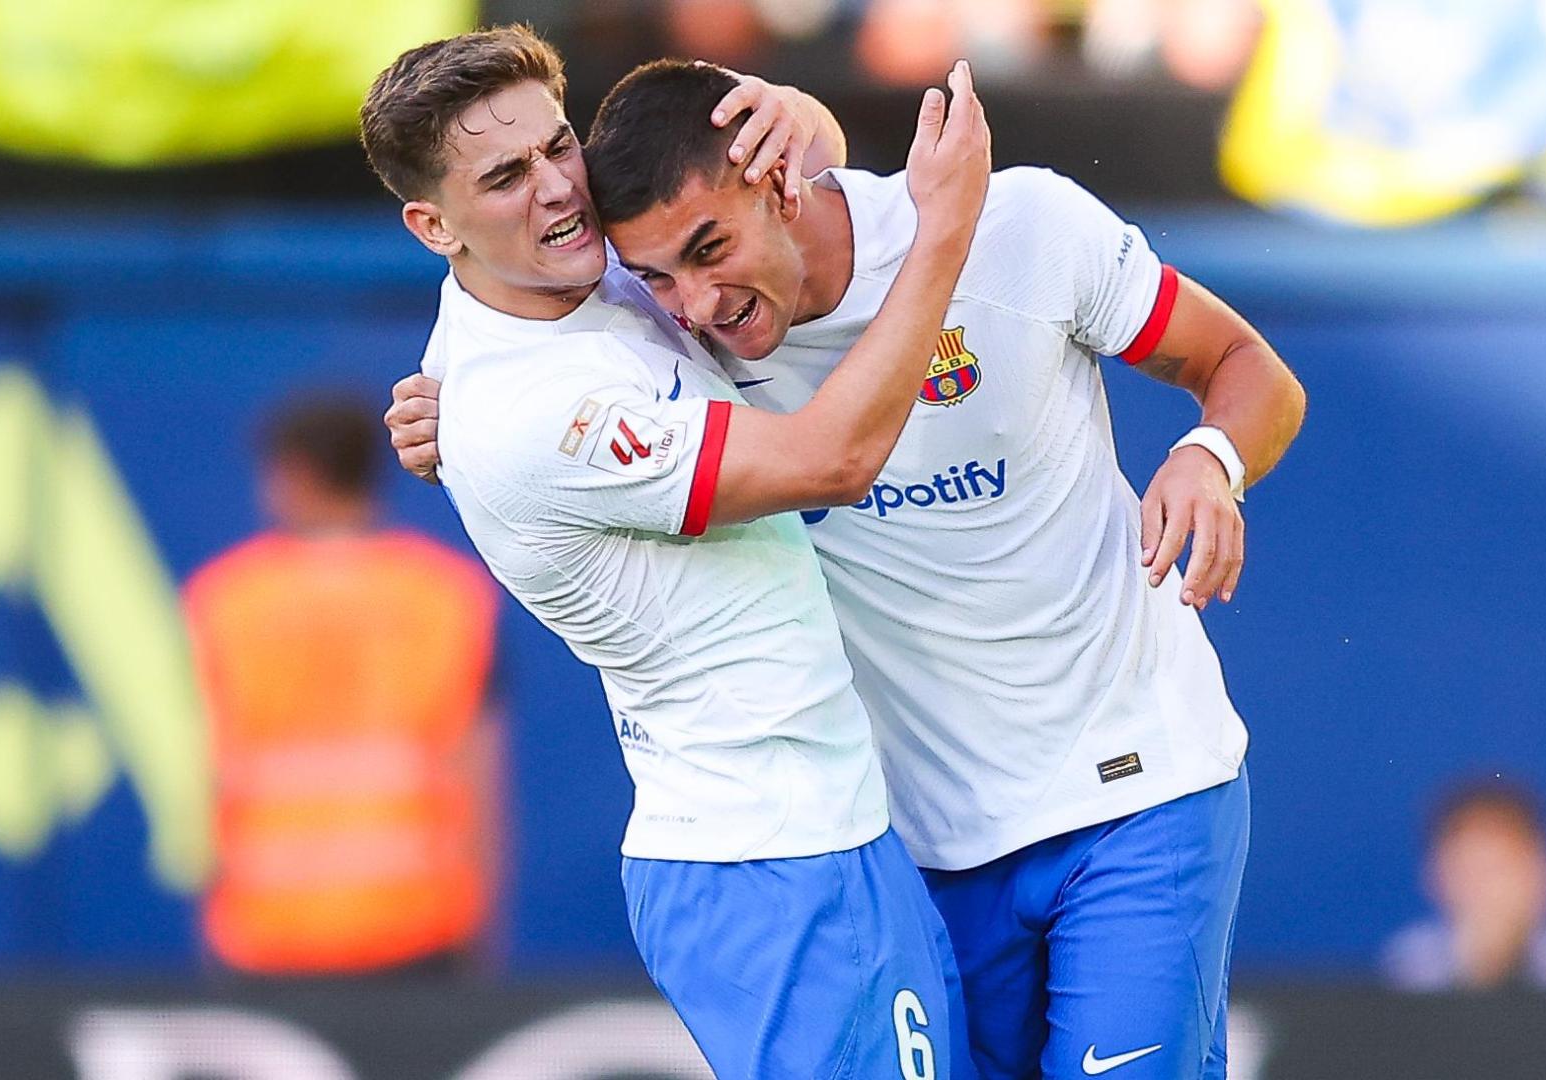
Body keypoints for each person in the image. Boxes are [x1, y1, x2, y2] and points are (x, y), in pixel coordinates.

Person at [392, 59, 1305, 1078]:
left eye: (710, 251)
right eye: (657, 276)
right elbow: (527, 338)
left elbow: (1249, 369)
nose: (692, 302)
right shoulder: (657, 314)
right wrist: (454, 410)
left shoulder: (1024, 229)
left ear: (781, 182)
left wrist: (1208, 460)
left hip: (1137, 786)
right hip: (916, 841)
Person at [358, 26, 992, 1079]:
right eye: (507, 176)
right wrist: (943, 234)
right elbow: (831, 460)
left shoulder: (576, 277)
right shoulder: (531, 411)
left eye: (558, 146)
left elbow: (747, 198)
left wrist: (803, 116)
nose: (561, 189)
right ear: (433, 226)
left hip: (828, 830)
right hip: (767, 864)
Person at [185, 397, 502, 978]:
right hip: (417, 925)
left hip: (266, 926)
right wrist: (483, 920)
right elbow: (478, 768)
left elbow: (207, 767)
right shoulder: (447, 596)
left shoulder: (226, 600)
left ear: (293, 474)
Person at [1381, 779, 1546, 992]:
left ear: (1545, 873)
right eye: (1471, 871)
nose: (1489, 889)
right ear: (1436, 876)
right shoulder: (1411, 966)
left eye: (1502, 867)